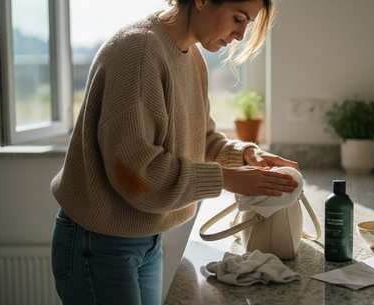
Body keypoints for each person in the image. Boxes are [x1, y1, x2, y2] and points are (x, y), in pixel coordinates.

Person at [50, 0, 298, 304]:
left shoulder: (192, 58)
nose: (240, 35)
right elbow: (138, 174)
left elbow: (200, 139)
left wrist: (246, 155)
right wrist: (227, 179)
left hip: (146, 239)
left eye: (246, 25)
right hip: (99, 242)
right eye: (238, 19)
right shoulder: (138, 51)